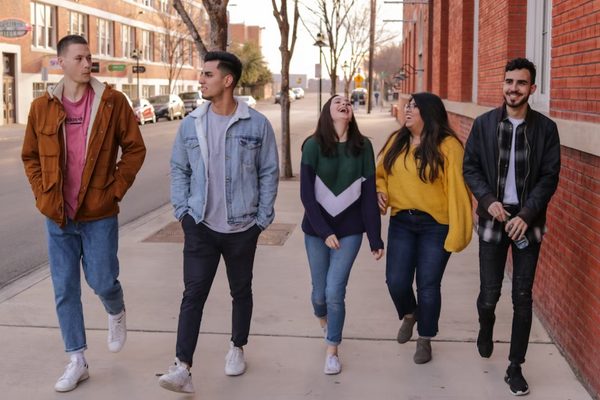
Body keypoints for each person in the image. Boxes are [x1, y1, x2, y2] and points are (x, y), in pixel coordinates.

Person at [21, 35, 146, 392]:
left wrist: (115, 189)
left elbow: (135, 149)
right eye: (79, 58)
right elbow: (30, 156)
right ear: (61, 62)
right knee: (65, 289)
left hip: (99, 213)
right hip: (58, 215)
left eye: (89, 57)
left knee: (103, 280)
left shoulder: (111, 102)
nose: (87, 63)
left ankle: (116, 310)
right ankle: (77, 359)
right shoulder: (42, 107)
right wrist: (42, 192)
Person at [159, 51, 279, 393]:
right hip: (200, 226)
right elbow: (179, 169)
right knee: (193, 294)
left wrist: (261, 219)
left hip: (243, 228)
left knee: (240, 290)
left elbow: (269, 171)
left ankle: (237, 347)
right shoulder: (191, 122)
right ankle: (182, 367)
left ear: (227, 81)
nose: (201, 80)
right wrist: (182, 213)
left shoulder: (257, 124)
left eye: (207, 74)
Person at [463, 57, 561, 396]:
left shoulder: (545, 129)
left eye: (520, 83)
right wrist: (487, 199)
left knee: (523, 296)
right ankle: (485, 325)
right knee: (489, 294)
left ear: (531, 88)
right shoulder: (484, 124)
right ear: (502, 84)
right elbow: (470, 167)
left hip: (527, 223)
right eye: (509, 82)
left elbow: (549, 177)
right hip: (493, 219)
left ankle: (515, 367)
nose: (513, 88)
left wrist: (528, 214)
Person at [376, 92, 472, 365]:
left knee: (428, 286)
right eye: (407, 105)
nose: (407, 110)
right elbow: (380, 174)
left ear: (429, 113)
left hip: (436, 225)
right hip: (402, 221)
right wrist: (379, 191)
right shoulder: (397, 141)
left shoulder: (448, 146)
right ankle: (410, 314)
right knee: (396, 281)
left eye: (414, 107)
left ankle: (425, 338)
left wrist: (459, 231)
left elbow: (458, 190)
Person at [301, 95, 384, 375]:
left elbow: (370, 196)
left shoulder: (363, 147)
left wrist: (375, 238)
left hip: (350, 231)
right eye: (337, 101)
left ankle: (332, 349)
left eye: (348, 102)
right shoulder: (312, 146)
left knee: (335, 291)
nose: (344, 103)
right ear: (328, 111)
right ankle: (325, 321)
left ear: (351, 113)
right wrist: (324, 232)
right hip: (316, 231)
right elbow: (307, 197)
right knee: (318, 295)